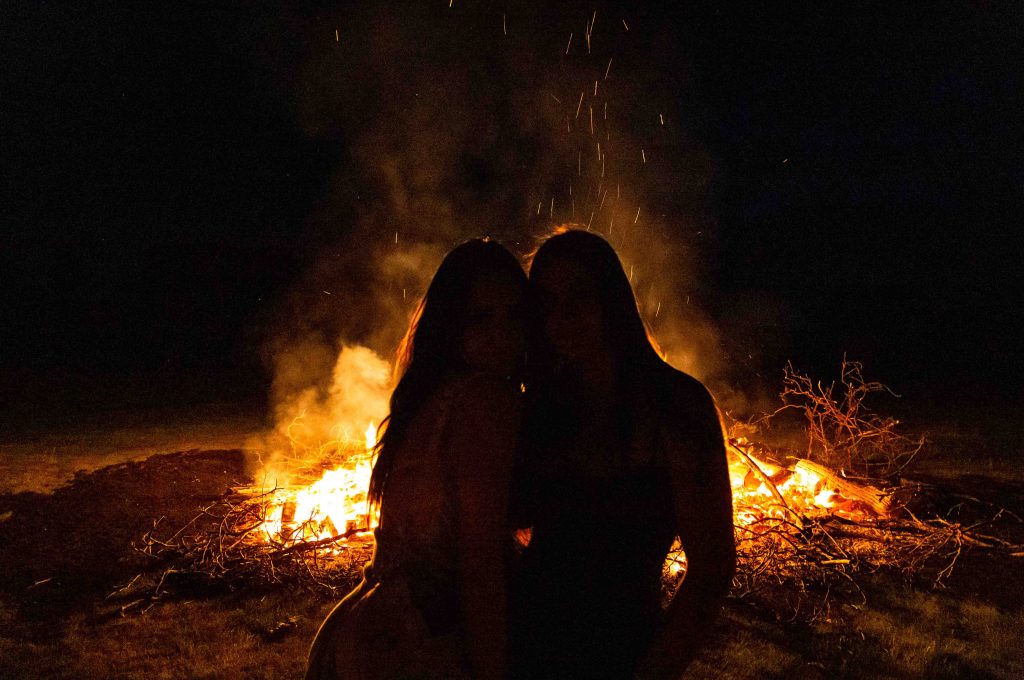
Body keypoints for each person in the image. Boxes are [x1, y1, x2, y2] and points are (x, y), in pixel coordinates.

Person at [510, 229, 735, 680]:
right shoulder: (542, 404)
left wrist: (653, 670)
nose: (564, 317)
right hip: (526, 648)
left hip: (623, 652)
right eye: (548, 303)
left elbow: (712, 568)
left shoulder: (676, 405)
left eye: (579, 296)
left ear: (612, 299)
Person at [306, 238, 528, 680]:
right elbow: (479, 568)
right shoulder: (485, 401)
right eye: (481, 319)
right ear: (452, 326)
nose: (502, 334)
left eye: (515, 316)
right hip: (419, 647)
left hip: (364, 629)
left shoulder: (429, 397)